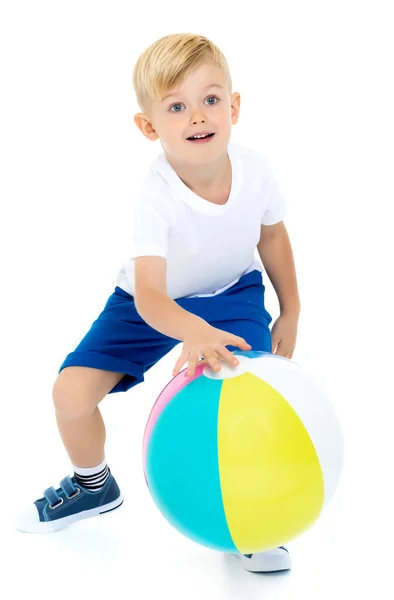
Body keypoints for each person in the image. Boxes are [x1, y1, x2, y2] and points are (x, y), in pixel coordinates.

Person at [14, 33, 301, 573]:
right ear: (149, 127)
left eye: (210, 100)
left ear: (234, 107)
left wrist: (292, 310)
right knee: (70, 393)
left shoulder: (256, 170)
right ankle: (91, 484)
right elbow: (149, 293)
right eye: (176, 106)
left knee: (244, 401)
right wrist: (189, 329)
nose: (197, 117)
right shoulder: (157, 194)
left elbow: (273, 239)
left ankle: (251, 521)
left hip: (232, 294)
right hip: (148, 303)